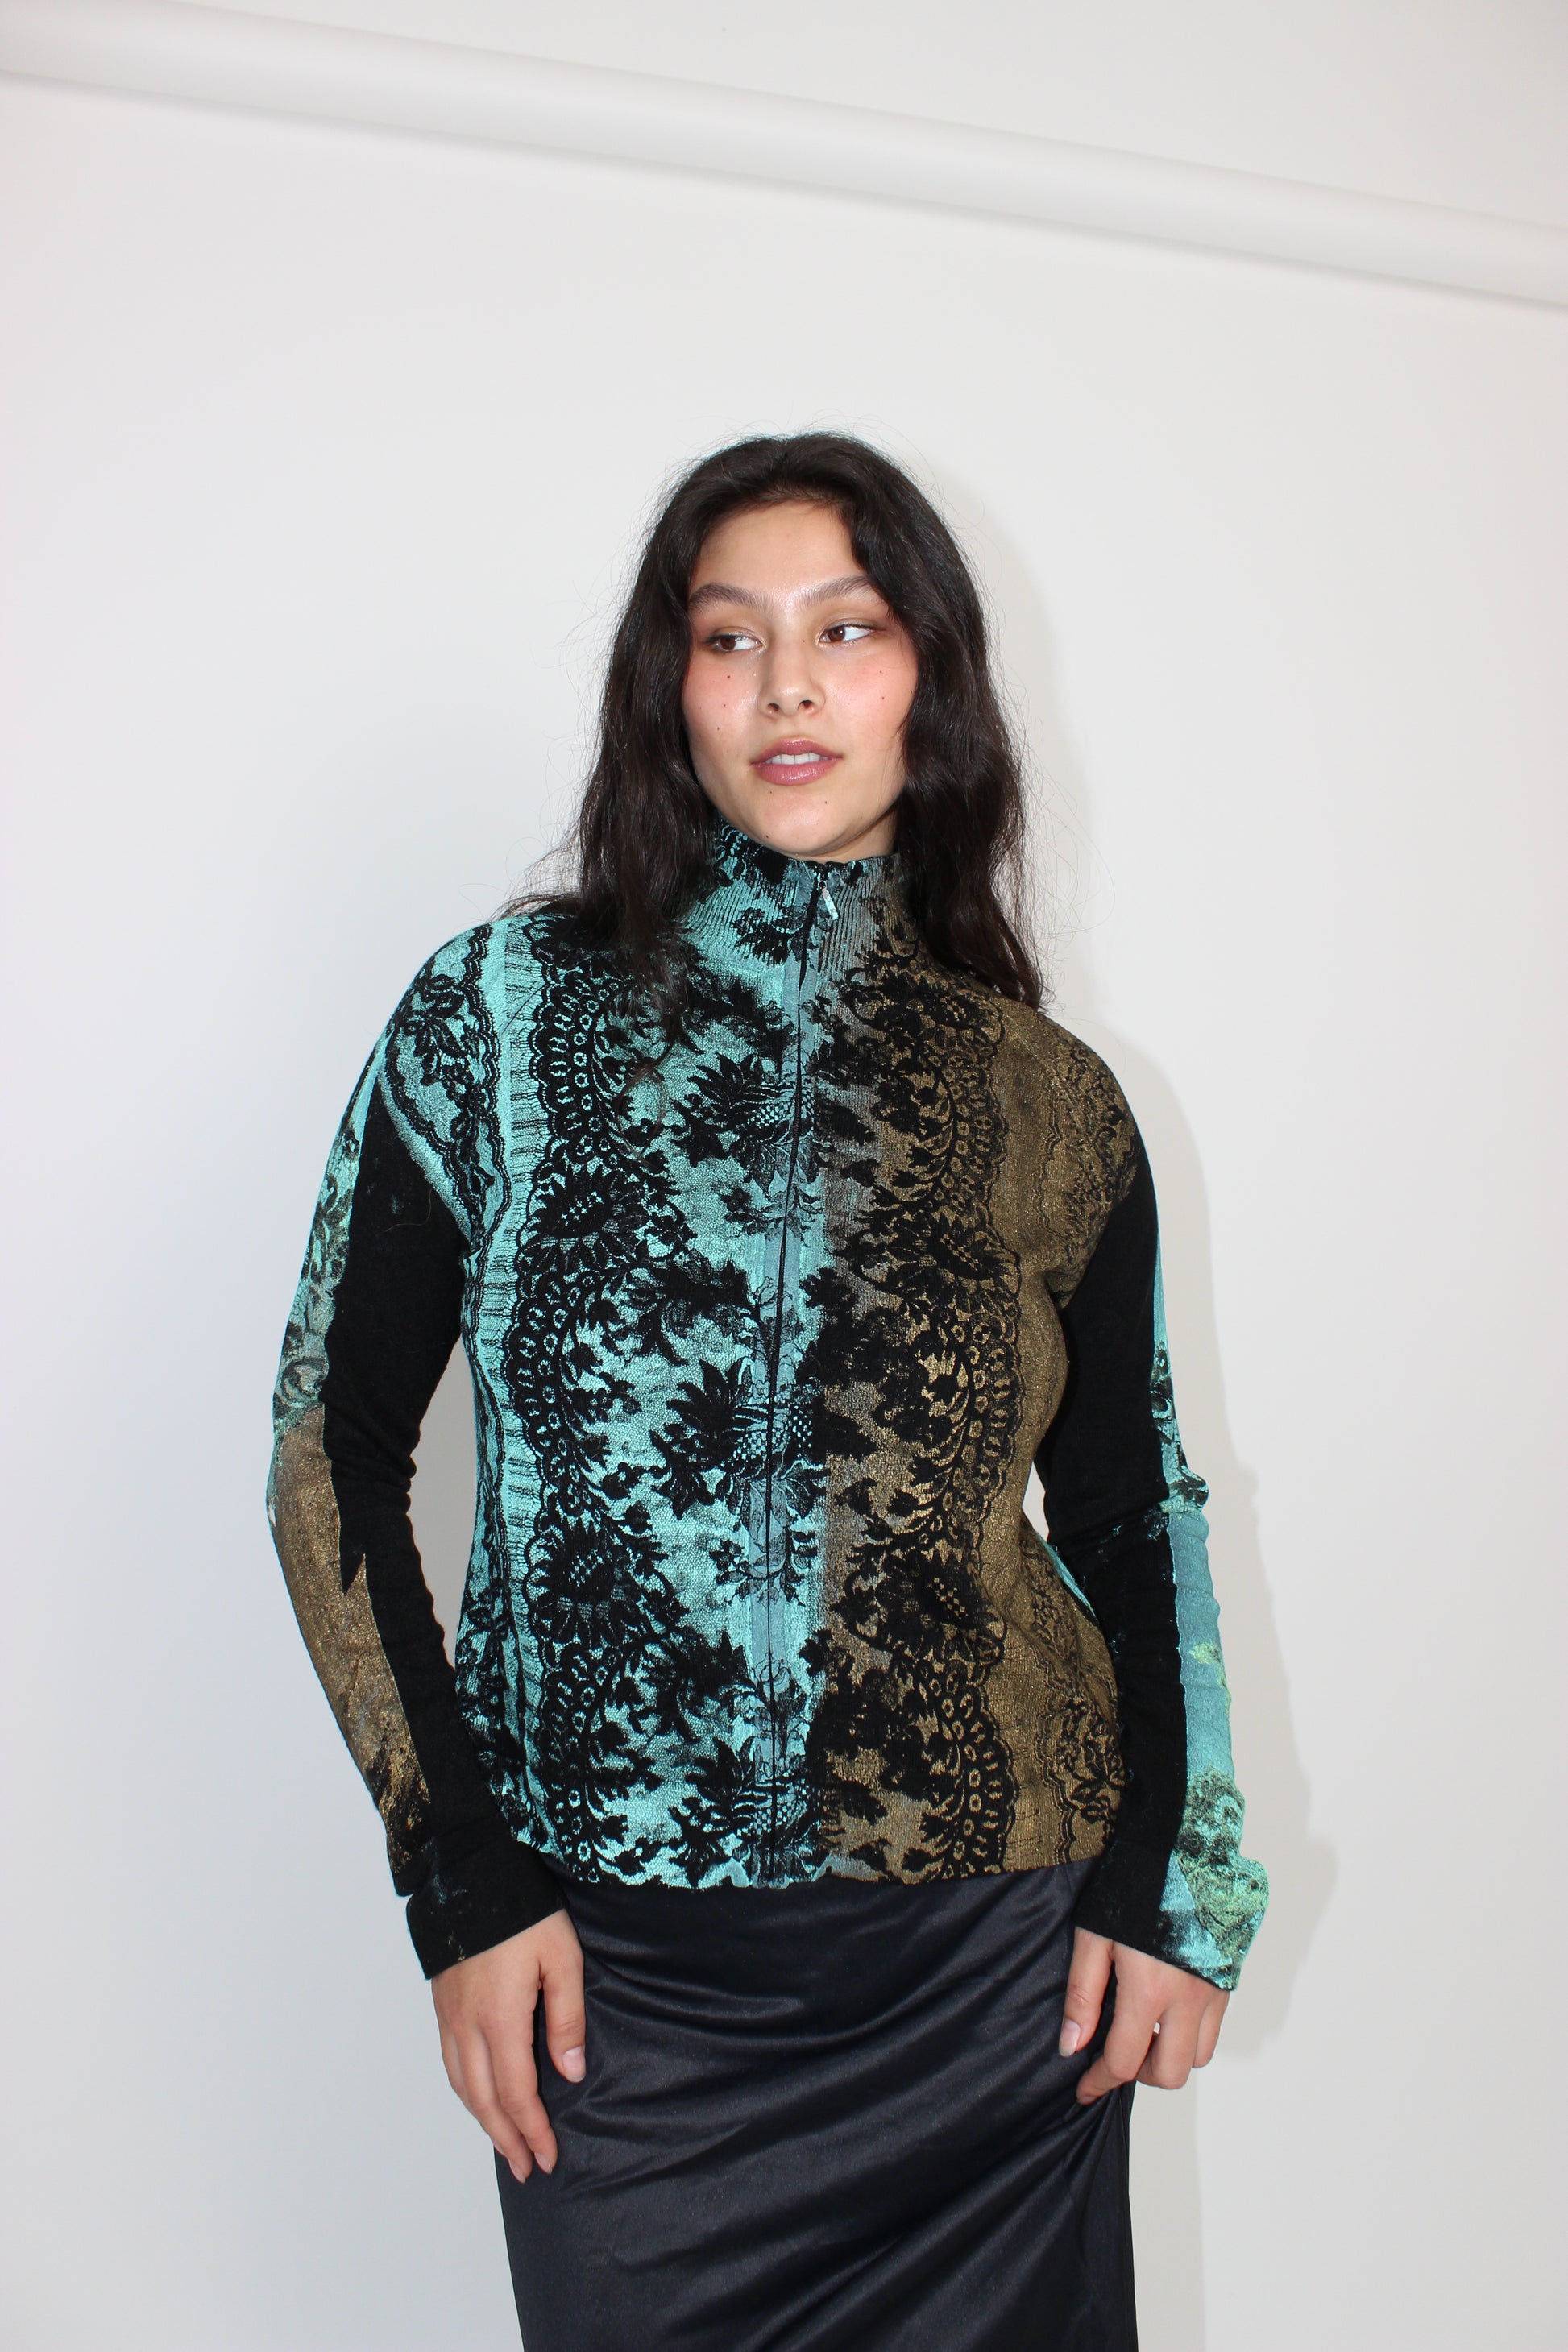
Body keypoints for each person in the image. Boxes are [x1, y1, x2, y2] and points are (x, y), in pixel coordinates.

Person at [267, 431, 1267, 2350]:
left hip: (992, 1969)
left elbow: (1133, 1508)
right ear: (670, 688)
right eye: (729, 637)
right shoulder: (494, 1017)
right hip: (615, 1977)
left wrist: (1172, 1881)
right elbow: (330, 1456)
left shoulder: (1050, 1098)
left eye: (847, 630)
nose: (787, 686)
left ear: (929, 681)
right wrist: (462, 1885)